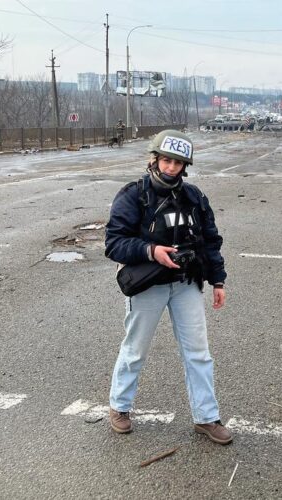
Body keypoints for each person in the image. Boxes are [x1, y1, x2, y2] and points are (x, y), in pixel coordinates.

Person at [104, 130, 231, 445]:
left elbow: (210, 241)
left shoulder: (194, 197)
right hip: (148, 284)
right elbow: (114, 243)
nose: (171, 168)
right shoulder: (133, 195)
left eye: (178, 162)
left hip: (186, 284)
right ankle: (119, 407)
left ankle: (206, 417)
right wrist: (151, 251)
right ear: (154, 159)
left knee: (198, 353)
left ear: (185, 166)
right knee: (135, 349)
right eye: (166, 160)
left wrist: (218, 279)